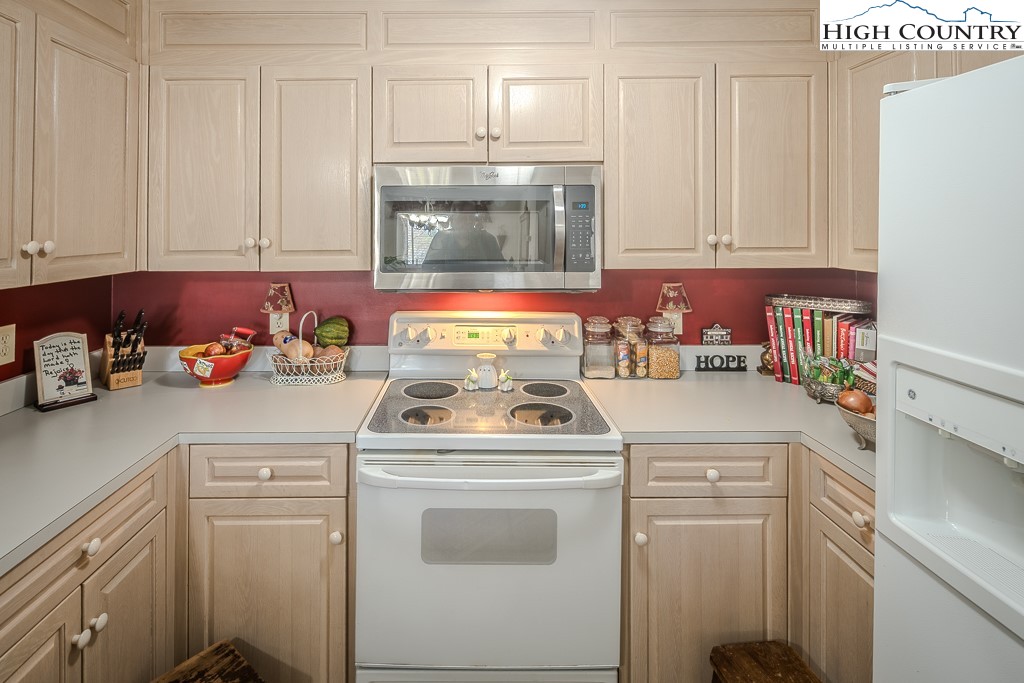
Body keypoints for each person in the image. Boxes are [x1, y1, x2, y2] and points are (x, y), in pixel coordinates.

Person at [422, 202, 505, 267]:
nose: (467, 222)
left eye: (471, 218)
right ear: (452, 220)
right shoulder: (441, 238)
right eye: (462, 218)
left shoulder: (488, 239)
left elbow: (501, 269)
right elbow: (428, 268)